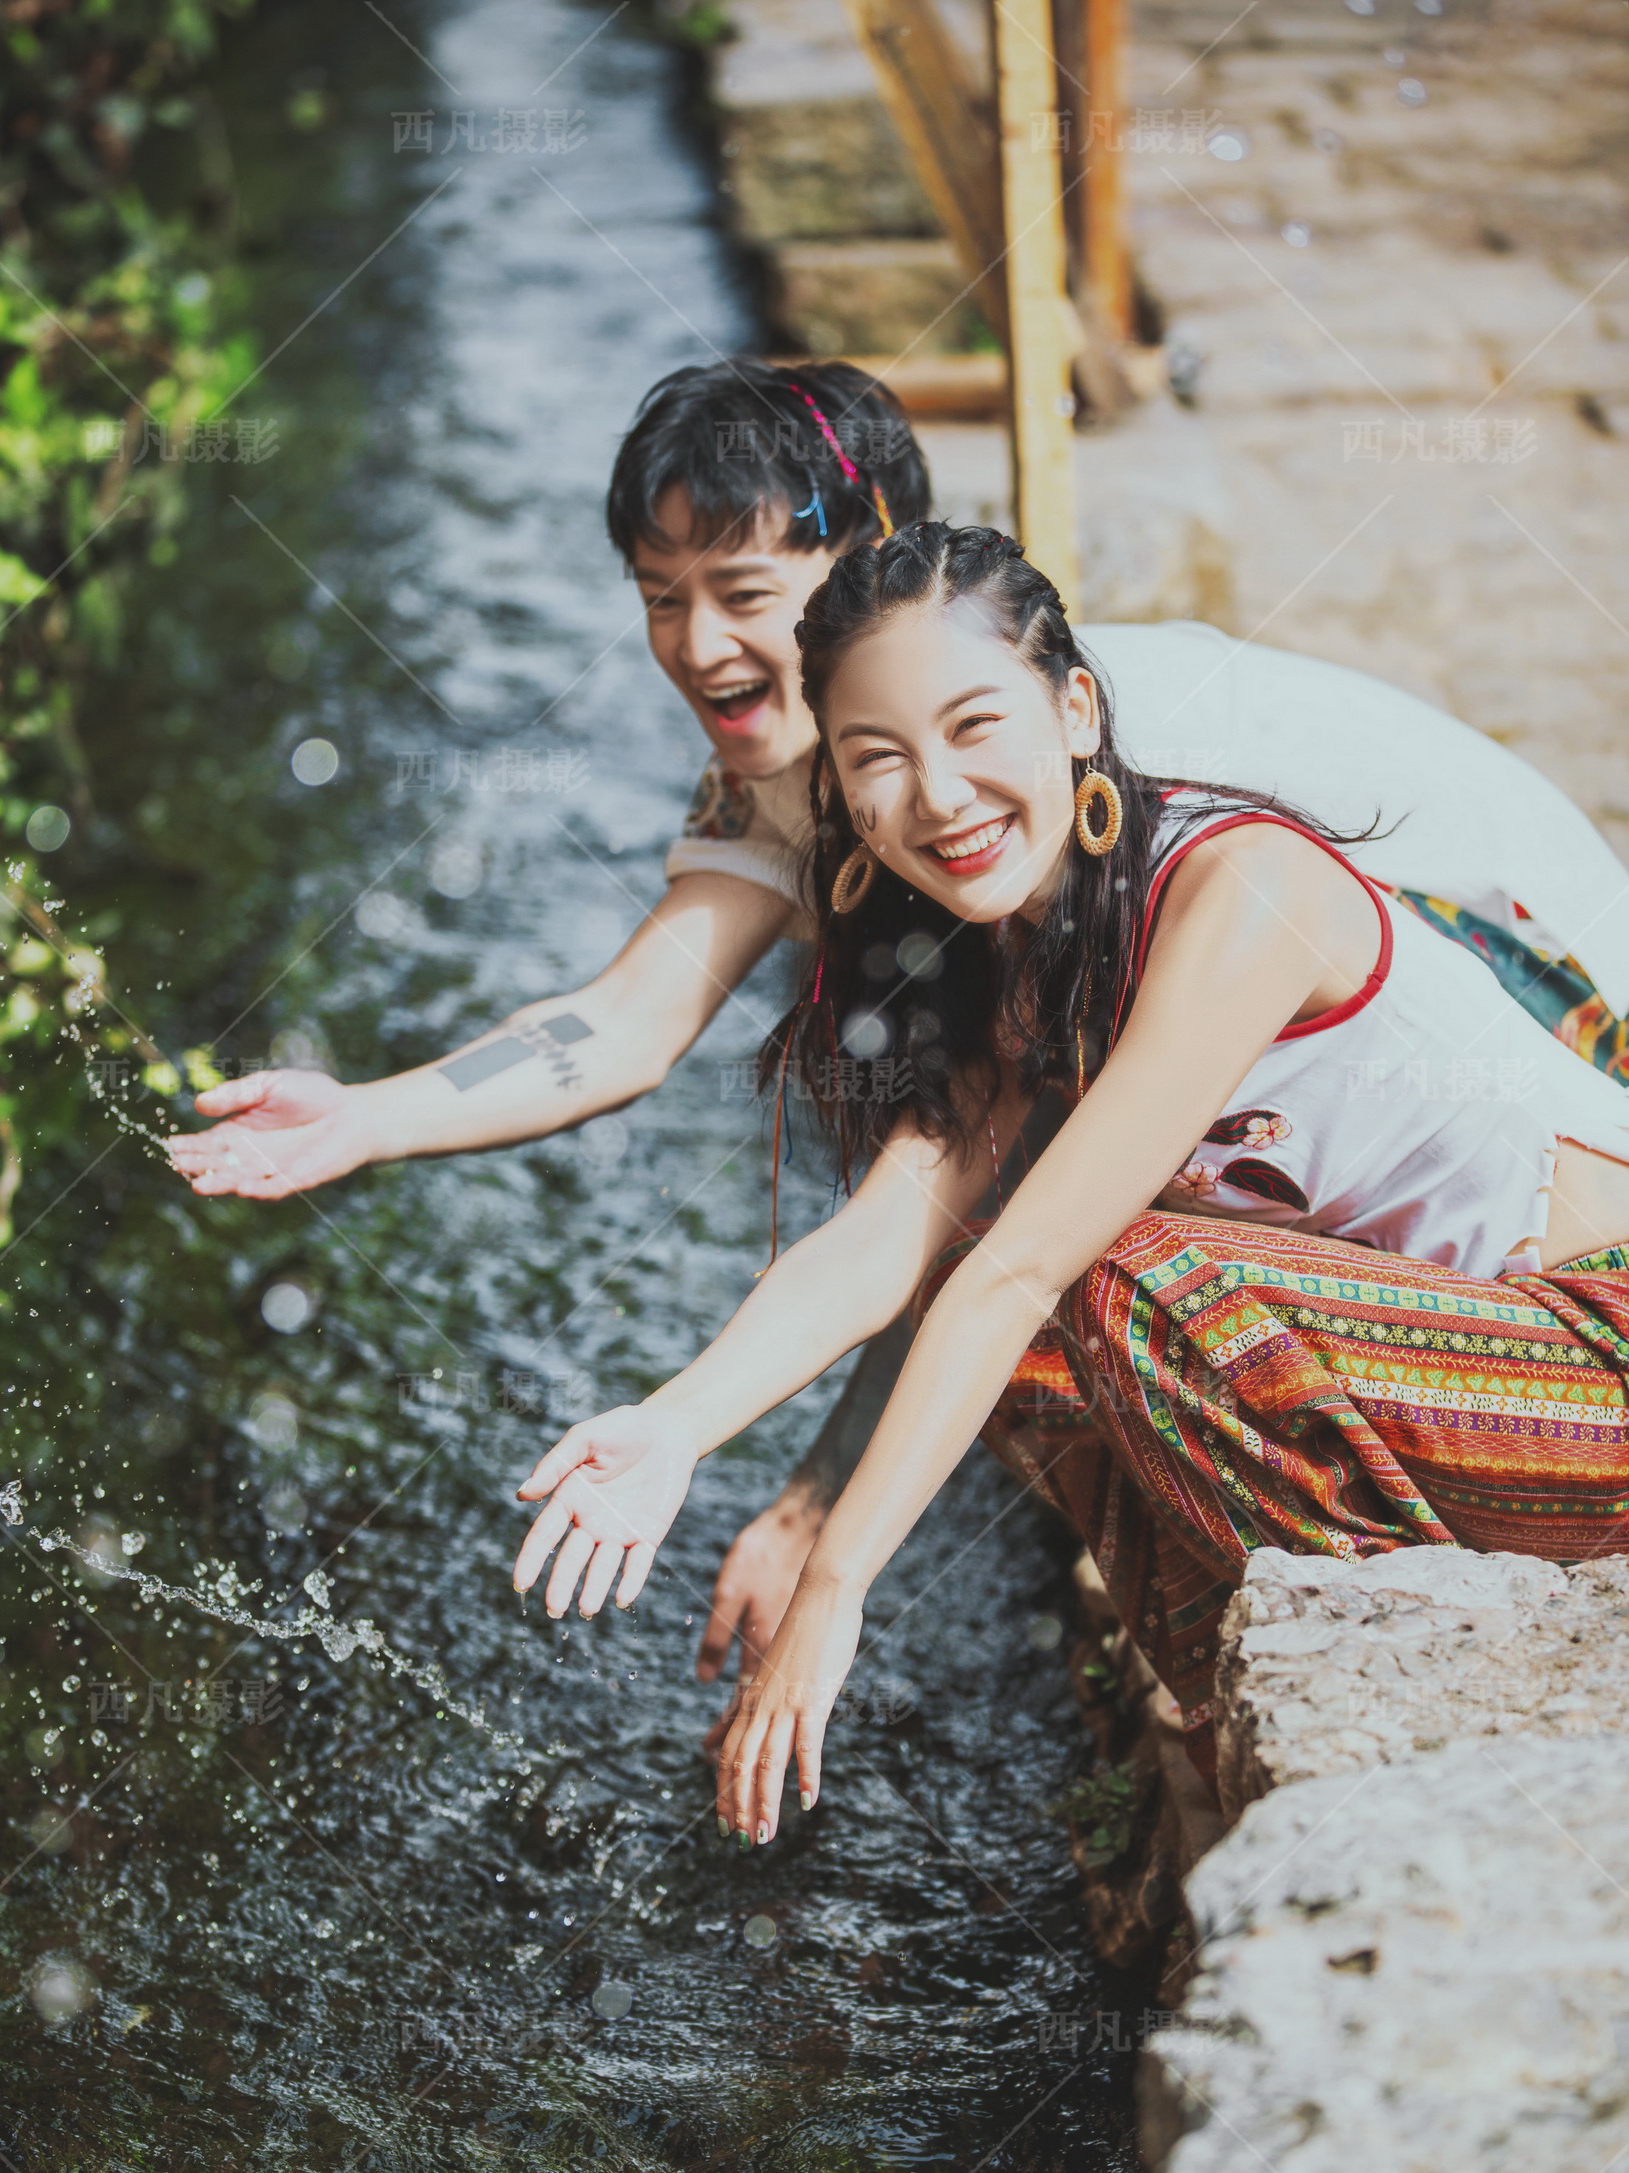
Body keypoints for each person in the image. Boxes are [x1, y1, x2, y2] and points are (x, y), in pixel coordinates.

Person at [169, 355, 1629, 1699]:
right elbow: (651, 1036)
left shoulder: (1087, 767)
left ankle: (1409, 1579)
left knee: (1110, 1279)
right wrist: (373, 1118)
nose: (696, 644)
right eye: (657, 593)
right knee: (1052, 1296)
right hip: (1349, 1154)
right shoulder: (838, 791)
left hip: (1534, 981)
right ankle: (1243, 1675)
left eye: (742, 589)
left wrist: (826, 1536)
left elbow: (1011, 1244)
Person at [509, 522, 1629, 1839]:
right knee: (1034, 1356)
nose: (938, 794)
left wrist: (835, 1580)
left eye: (975, 726)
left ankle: (1409, 1644)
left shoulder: (1239, 887)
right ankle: (1244, 1718)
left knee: (1114, 1279)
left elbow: (1021, 1268)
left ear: (1077, 710)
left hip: (1591, 1347)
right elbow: (881, 1248)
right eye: (879, 759)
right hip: (1451, 1383)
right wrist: (674, 1428)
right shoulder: (1028, 972)